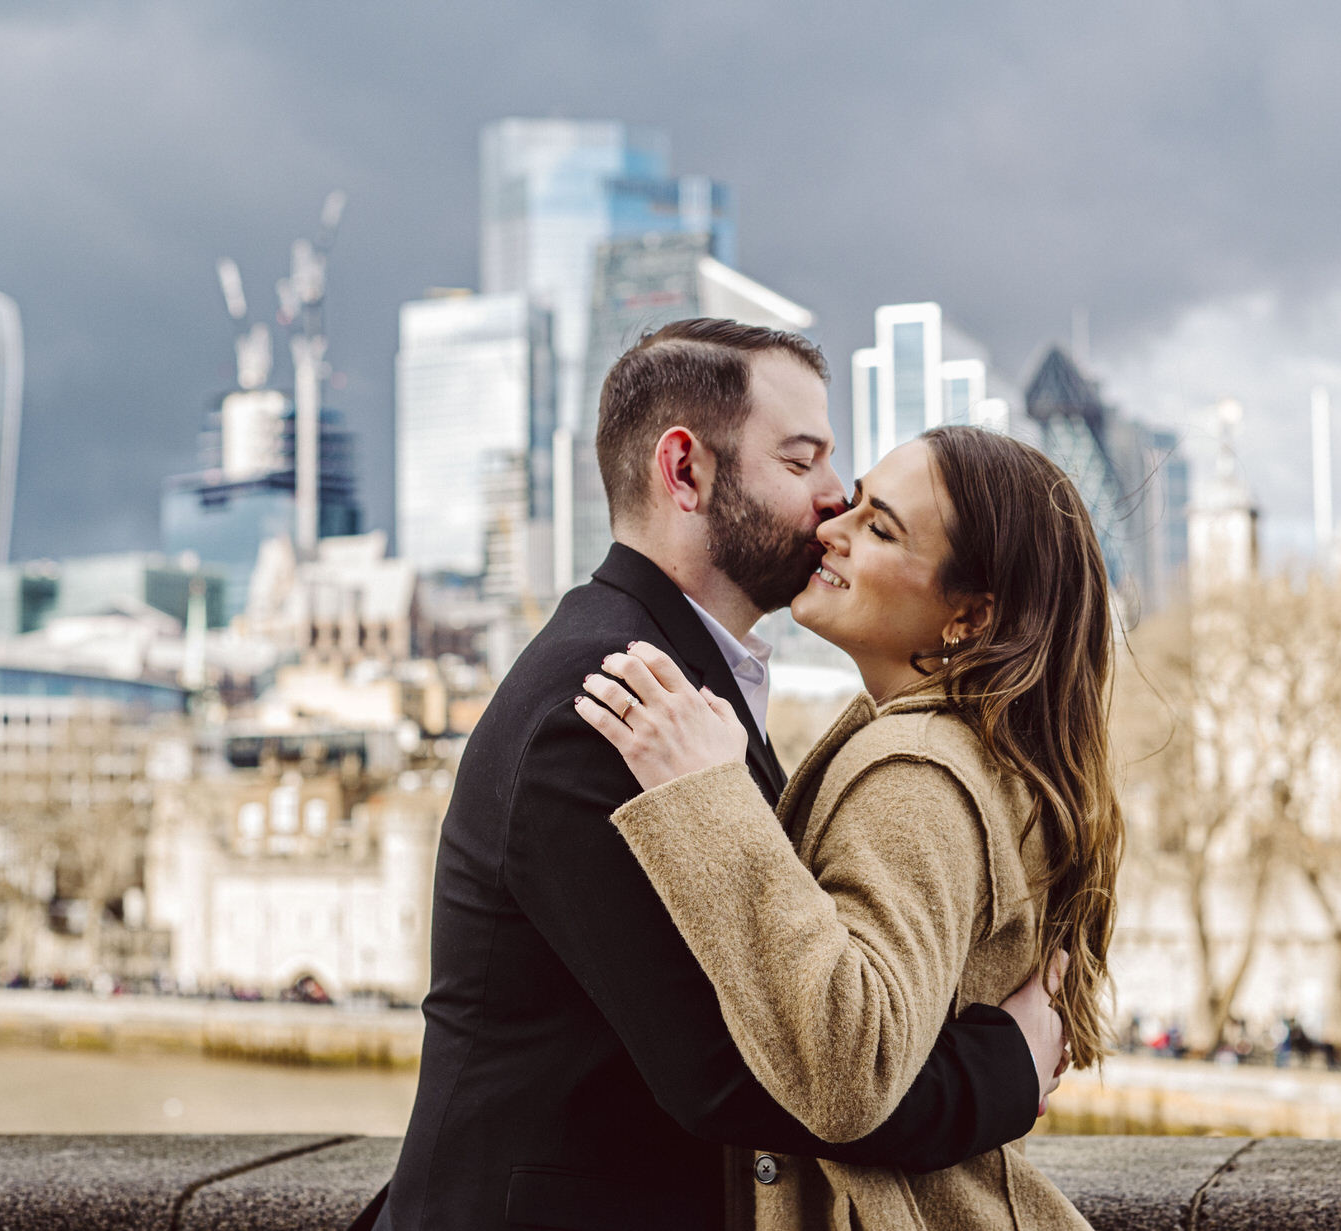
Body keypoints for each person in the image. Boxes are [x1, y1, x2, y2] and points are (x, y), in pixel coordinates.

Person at [361, 321, 1066, 1231]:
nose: (830, 502)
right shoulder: (609, 701)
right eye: (803, 461)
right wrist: (1009, 1064)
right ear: (685, 472)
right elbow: (740, 1070)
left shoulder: (680, 682)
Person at [578, 424, 1122, 1228]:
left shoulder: (917, 772)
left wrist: (708, 796)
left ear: (969, 615)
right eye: (857, 501)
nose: (831, 524)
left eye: (880, 526)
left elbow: (848, 1068)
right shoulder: (969, 750)